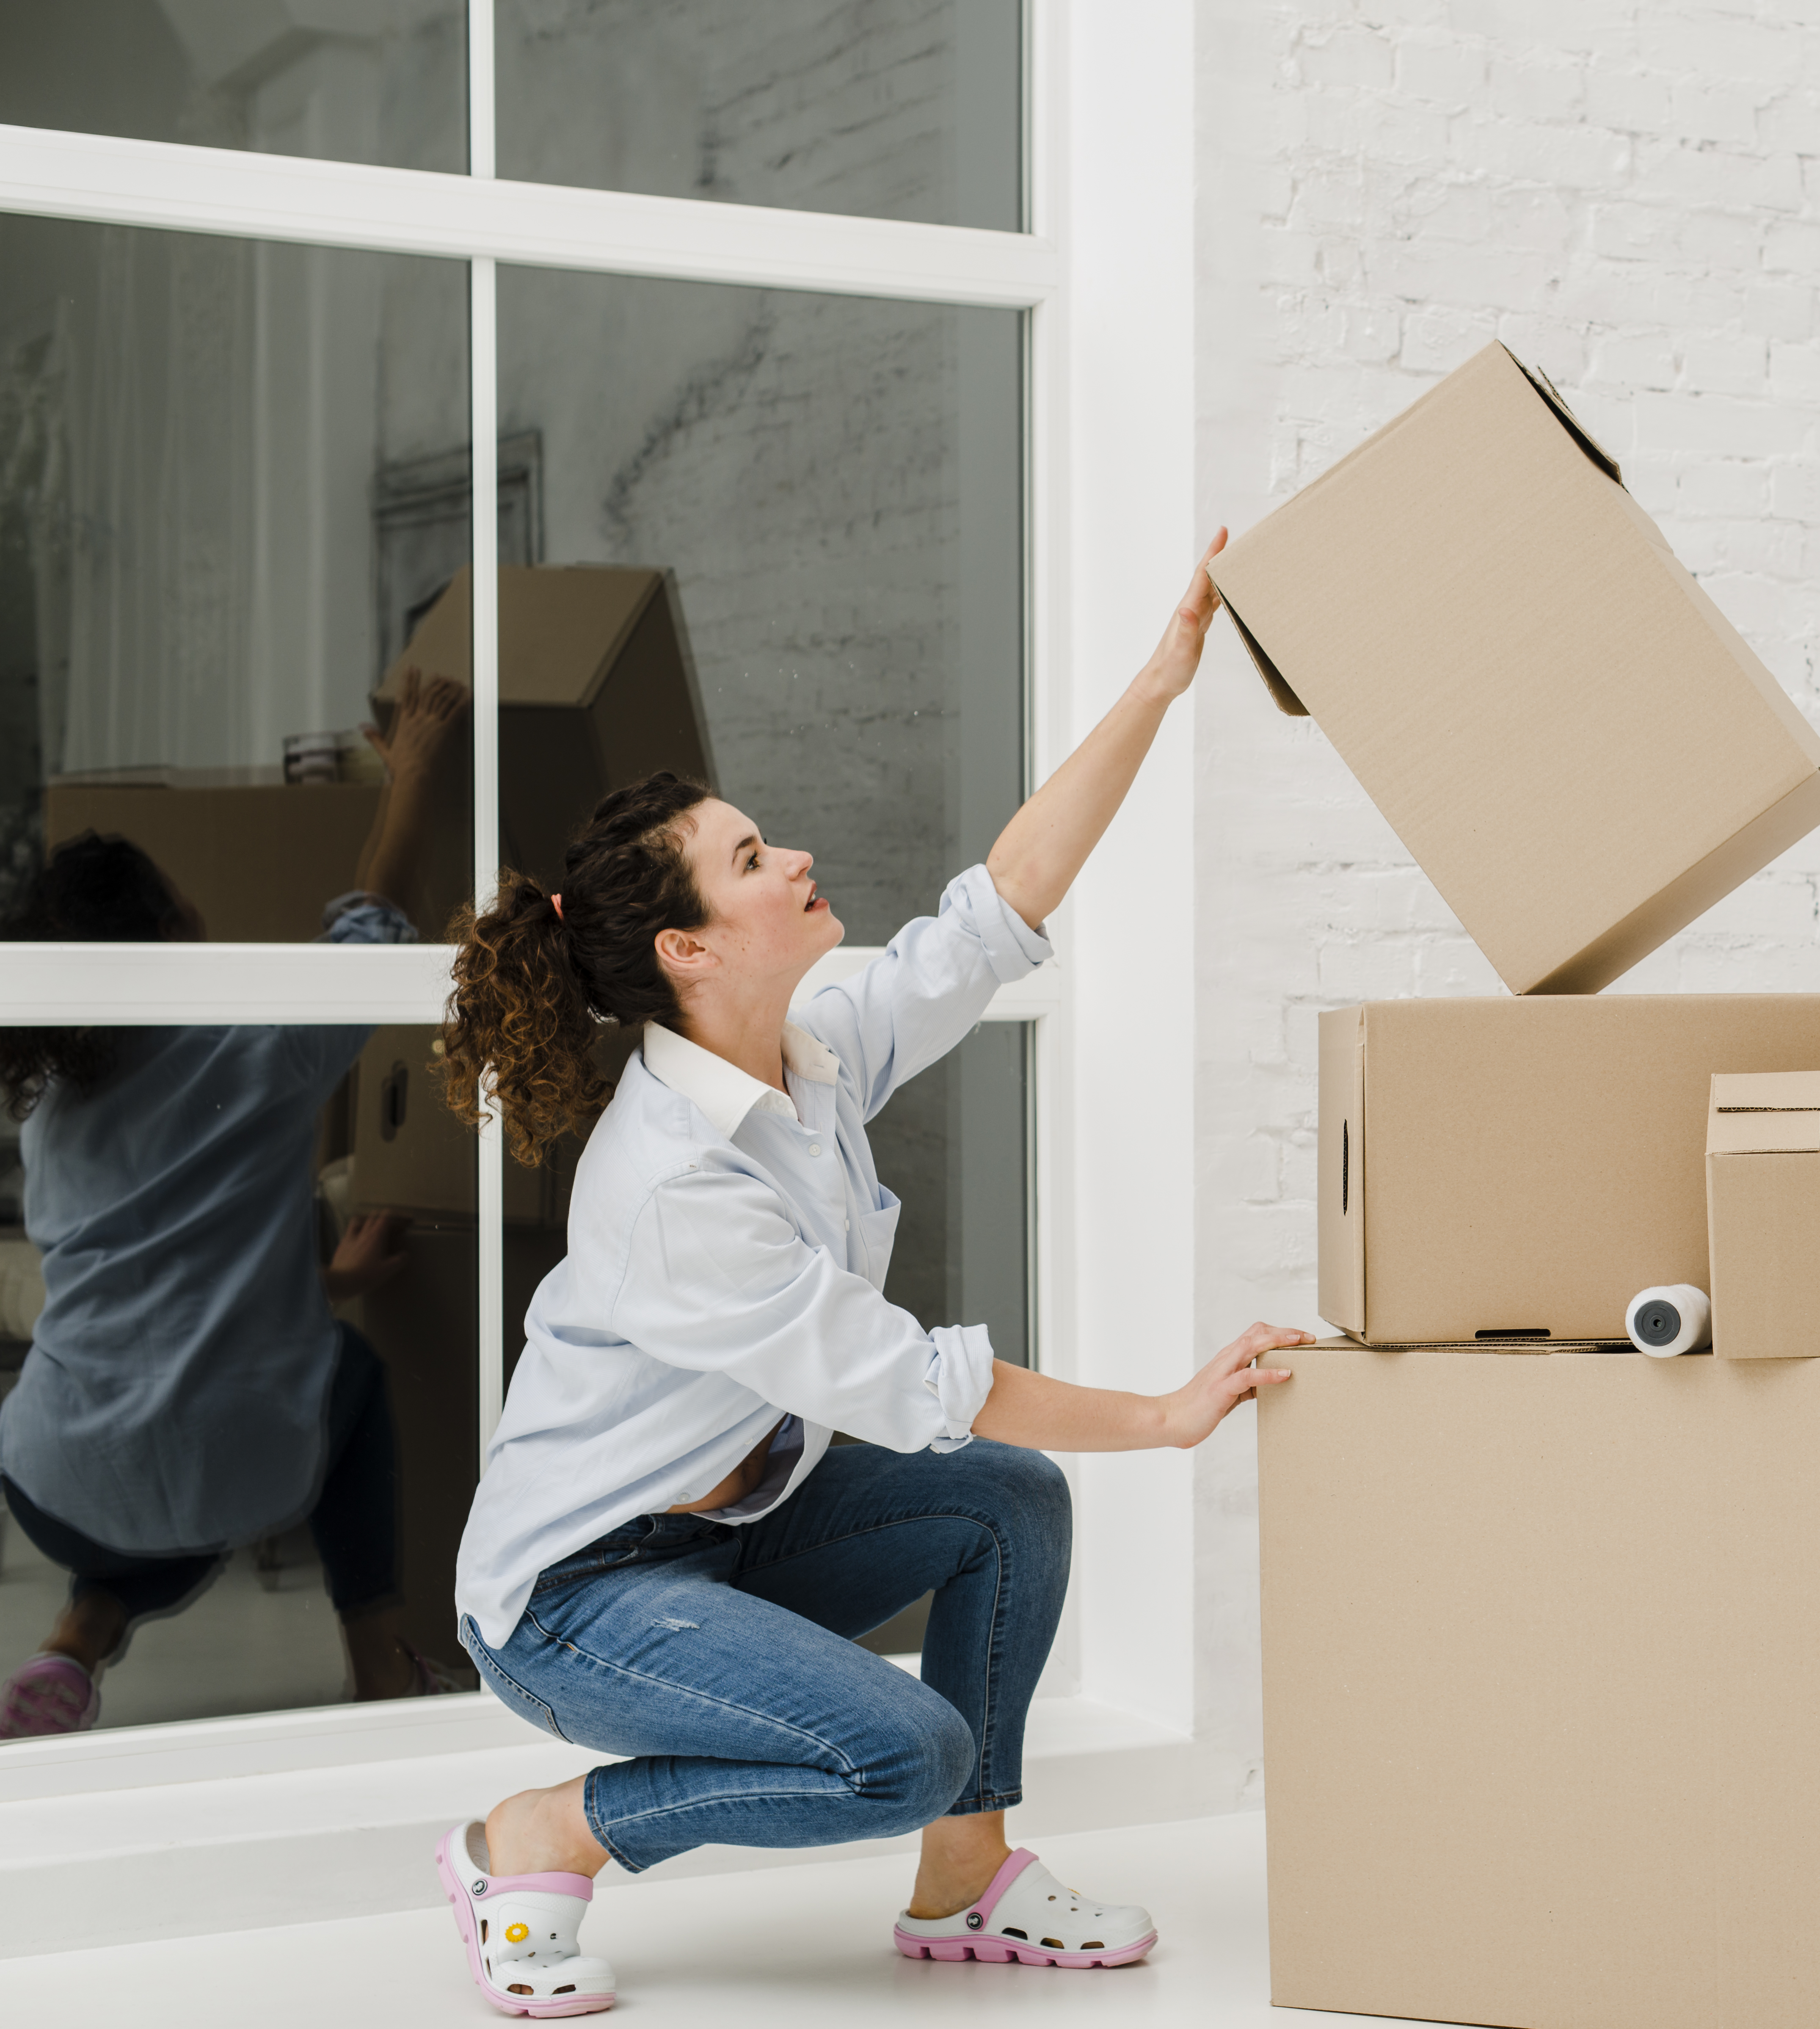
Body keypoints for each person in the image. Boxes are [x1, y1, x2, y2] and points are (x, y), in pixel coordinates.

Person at [433, 532, 1307, 2018]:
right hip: (575, 1596)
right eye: (753, 861)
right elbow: (907, 1384)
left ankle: (966, 1879)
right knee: (902, 1746)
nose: (796, 860)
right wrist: (1163, 1416)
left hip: (717, 1541)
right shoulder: (670, 1185)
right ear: (689, 949)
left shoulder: (813, 1044)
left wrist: (1163, 681)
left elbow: (995, 912)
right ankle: (537, 1834)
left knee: (1006, 1500)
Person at [0, 673, 470, 1737]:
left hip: (51, 1483)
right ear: (175, 927)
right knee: (340, 1378)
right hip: (218, 1476)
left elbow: (158, 1276)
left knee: (147, 1489)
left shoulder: (50, 1111)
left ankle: (73, 1647)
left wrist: (330, 1280)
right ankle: (381, 1667)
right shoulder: (260, 1046)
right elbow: (376, 921)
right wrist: (415, 778)